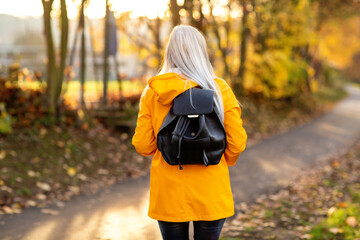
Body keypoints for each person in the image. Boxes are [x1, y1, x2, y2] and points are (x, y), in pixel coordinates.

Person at [132, 25, 247, 240]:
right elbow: (237, 143)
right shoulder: (219, 90)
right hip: (211, 188)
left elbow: (143, 145)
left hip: (169, 192)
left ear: (170, 52)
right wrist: (221, 160)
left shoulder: (154, 92)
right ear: (200, 52)